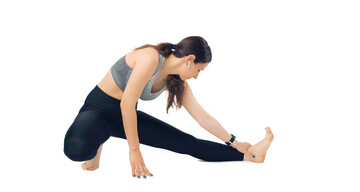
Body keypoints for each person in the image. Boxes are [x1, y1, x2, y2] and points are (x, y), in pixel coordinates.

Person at [63, 36, 274, 179]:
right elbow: (127, 102)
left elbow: (202, 117)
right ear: (189, 60)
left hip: (125, 117)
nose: (197, 76)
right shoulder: (149, 57)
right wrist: (134, 151)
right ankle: (97, 144)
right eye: (199, 70)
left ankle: (252, 156)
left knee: (187, 144)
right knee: (76, 149)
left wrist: (234, 142)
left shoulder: (178, 81)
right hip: (98, 110)